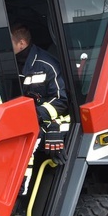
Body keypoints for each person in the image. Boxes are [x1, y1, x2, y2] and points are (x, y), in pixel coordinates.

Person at [10, 24, 69, 153]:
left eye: (10, 42)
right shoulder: (8, 63)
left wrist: (35, 115)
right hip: (14, 124)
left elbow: (60, 100)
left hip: (40, 124)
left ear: (21, 43)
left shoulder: (47, 65)